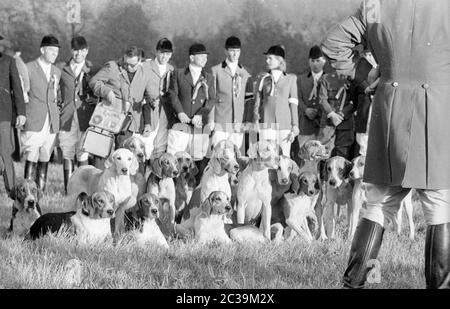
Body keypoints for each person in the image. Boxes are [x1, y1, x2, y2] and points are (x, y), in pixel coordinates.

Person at [321, 0, 450, 289]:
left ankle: (353, 283)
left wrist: (367, 72)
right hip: (441, 110)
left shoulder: (375, 4)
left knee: (378, 203)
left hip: (390, 110)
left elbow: (333, 44)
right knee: (440, 203)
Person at [167, 43, 216, 180]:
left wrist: (201, 114)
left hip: (199, 125)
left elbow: (211, 99)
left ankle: (194, 194)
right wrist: (180, 112)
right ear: (192, 57)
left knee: (197, 162)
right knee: (175, 159)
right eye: (201, 56)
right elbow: (173, 94)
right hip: (180, 124)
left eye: (206, 57)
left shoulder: (209, 77)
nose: (205, 59)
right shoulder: (178, 73)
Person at [89, 46, 152, 148]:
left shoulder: (145, 73)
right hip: (107, 116)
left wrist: (147, 123)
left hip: (128, 124)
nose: (127, 67)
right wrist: (106, 91)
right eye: (125, 63)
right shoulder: (112, 66)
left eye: (132, 65)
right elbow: (93, 81)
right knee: (100, 152)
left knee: (123, 156)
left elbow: (148, 98)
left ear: (140, 61)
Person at [57, 36, 97, 194]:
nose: (78, 53)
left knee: (83, 151)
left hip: (85, 116)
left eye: (81, 50)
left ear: (86, 51)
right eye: (75, 50)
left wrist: (95, 99)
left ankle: (83, 189)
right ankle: (69, 189)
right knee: (67, 150)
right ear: (71, 50)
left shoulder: (93, 68)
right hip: (67, 115)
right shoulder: (62, 67)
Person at [22, 35, 61, 192]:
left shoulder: (56, 71)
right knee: (32, 154)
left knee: (45, 154)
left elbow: (56, 96)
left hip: (51, 121)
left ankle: (40, 192)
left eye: (56, 51)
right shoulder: (28, 67)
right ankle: (26, 192)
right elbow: (23, 93)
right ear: (42, 50)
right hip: (34, 118)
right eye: (51, 50)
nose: (54, 54)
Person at [253, 45, 299, 156]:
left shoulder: (291, 79)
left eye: (270, 58)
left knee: (284, 157)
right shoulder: (262, 78)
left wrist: (295, 125)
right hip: (266, 123)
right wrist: (255, 120)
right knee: (266, 157)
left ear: (280, 60)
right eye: (267, 58)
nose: (267, 60)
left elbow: (293, 103)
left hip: (285, 124)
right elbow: (257, 102)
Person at [209, 36, 251, 150]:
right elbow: (211, 98)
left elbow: (248, 101)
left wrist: (246, 122)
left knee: (235, 158)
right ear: (225, 51)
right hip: (220, 122)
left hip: (238, 124)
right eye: (232, 51)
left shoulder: (245, 73)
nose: (235, 54)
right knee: (218, 156)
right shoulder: (215, 71)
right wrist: (211, 120)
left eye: (237, 51)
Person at [0, 34, 26, 196]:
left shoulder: (9, 61)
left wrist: (21, 113)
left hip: (3, 113)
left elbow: (17, 88)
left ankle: (11, 190)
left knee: (5, 150)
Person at [141, 38, 175, 160]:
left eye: (167, 54)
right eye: (161, 53)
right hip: (148, 111)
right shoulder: (145, 66)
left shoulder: (172, 70)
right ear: (156, 52)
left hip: (165, 112)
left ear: (170, 55)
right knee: (145, 146)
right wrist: (149, 99)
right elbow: (139, 89)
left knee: (160, 146)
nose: (164, 57)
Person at [291, 45, 326, 165]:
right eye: (312, 61)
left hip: (323, 126)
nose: (315, 64)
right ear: (309, 61)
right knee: (305, 158)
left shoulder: (329, 79)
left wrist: (319, 111)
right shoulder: (300, 79)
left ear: (324, 61)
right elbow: (297, 98)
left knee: (321, 159)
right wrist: (306, 110)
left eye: (318, 61)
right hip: (305, 125)